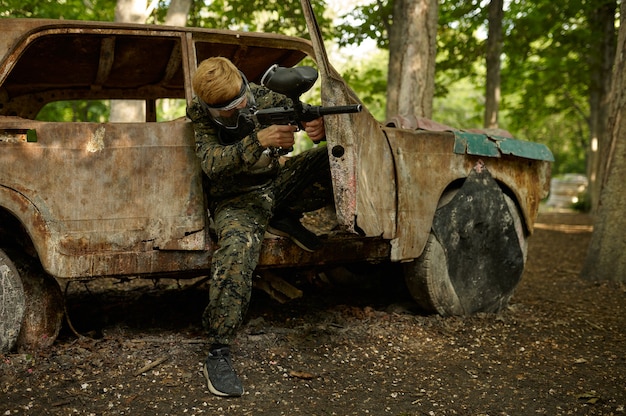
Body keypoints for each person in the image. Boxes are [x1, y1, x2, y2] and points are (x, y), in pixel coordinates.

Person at [187, 57, 334, 397]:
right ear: (209, 108)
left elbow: (308, 113)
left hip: (277, 184)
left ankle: (281, 217)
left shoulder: (264, 96)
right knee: (237, 250)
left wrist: (319, 128)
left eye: (241, 103)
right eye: (226, 111)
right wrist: (259, 140)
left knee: (333, 158)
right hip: (236, 199)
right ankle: (218, 351)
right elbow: (212, 164)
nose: (237, 111)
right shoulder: (199, 114)